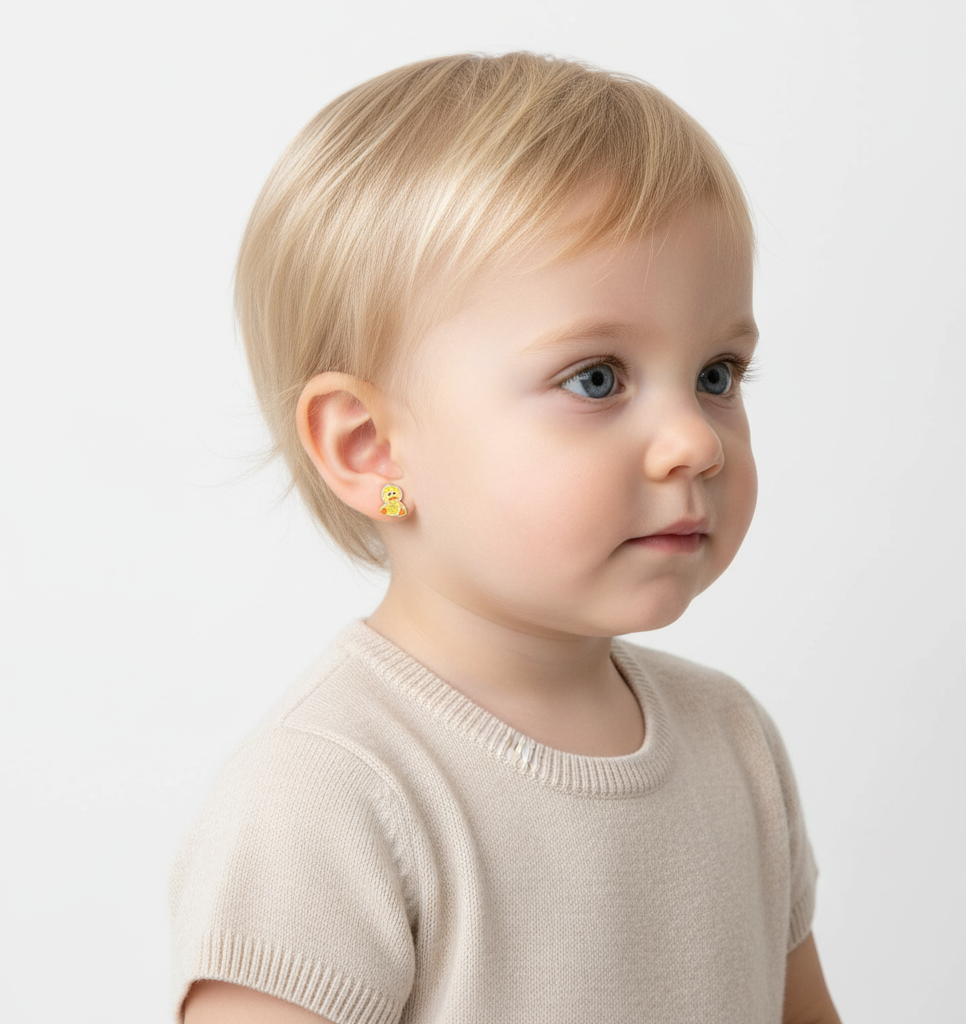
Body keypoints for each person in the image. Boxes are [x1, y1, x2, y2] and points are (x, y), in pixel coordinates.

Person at [170, 51, 841, 1024]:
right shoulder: (329, 793)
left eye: (716, 373)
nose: (696, 440)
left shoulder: (732, 744)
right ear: (370, 447)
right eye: (597, 378)